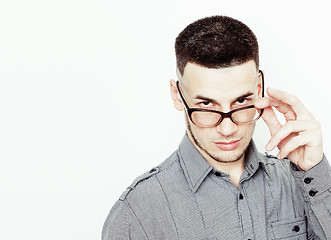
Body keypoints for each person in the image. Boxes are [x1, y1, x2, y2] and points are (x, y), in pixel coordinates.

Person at [102, 16, 331, 240]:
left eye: (241, 101)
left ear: (258, 88)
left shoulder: (305, 183)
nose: (228, 128)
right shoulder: (137, 213)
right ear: (177, 95)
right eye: (206, 104)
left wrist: (315, 170)